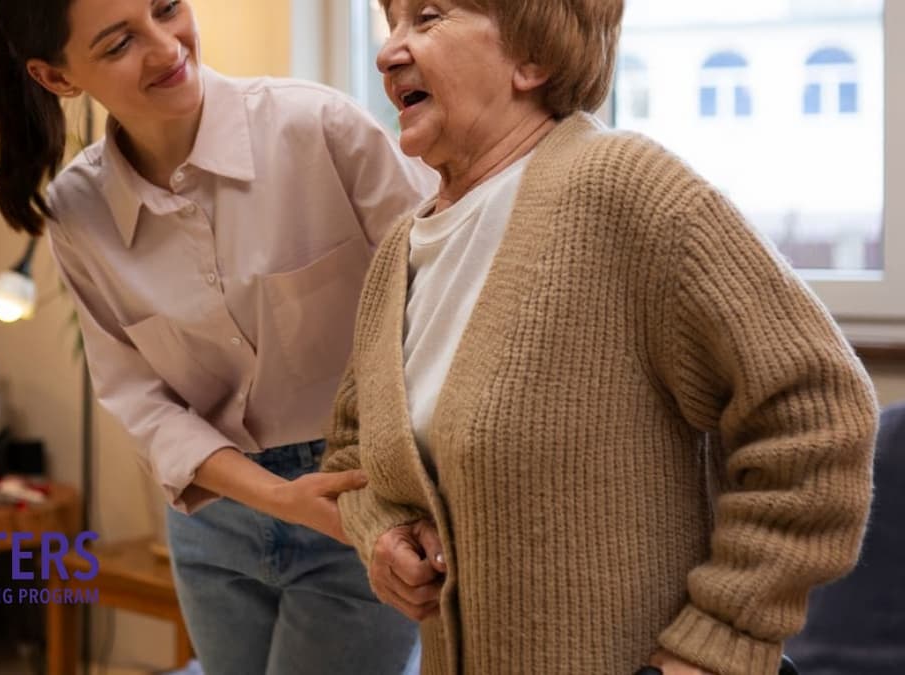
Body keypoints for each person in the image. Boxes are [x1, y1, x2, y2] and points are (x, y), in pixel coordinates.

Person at [321, 1, 879, 673]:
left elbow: (818, 412)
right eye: (392, 23)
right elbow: (352, 446)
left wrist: (720, 639)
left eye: (429, 16)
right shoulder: (400, 251)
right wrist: (382, 533)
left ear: (533, 56)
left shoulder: (626, 189)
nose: (389, 53)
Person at [0, 1, 436, 673]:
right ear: (56, 77)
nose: (166, 48)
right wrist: (274, 495)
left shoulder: (318, 129)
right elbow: (140, 398)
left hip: (357, 496)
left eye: (167, 8)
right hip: (212, 525)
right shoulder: (79, 213)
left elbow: (444, 300)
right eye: (118, 44)